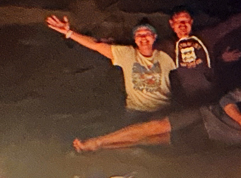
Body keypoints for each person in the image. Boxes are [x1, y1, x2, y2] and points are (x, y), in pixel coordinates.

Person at [72, 72, 241, 154]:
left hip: (214, 138)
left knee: (155, 141)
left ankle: (105, 146)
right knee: (158, 124)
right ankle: (96, 141)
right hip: (207, 114)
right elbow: (226, 99)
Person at [45, 16, 176, 113]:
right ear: (135, 39)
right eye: (139, 35)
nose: (143, 38)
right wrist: (69, 33)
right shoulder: (126, 54)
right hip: (136, 110)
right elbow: (95, 45)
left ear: (154, 37)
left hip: (163, 109)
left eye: (147, 34)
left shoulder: (166, 56)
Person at [163, 0, 241, 106]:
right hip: (187, 98)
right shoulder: (167, 46)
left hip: (211, 94)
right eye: (178, 22)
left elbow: (229, 25)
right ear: (172, 24)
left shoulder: (205, 37)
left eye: (186, 21)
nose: (183, 25)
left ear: (191, 22)